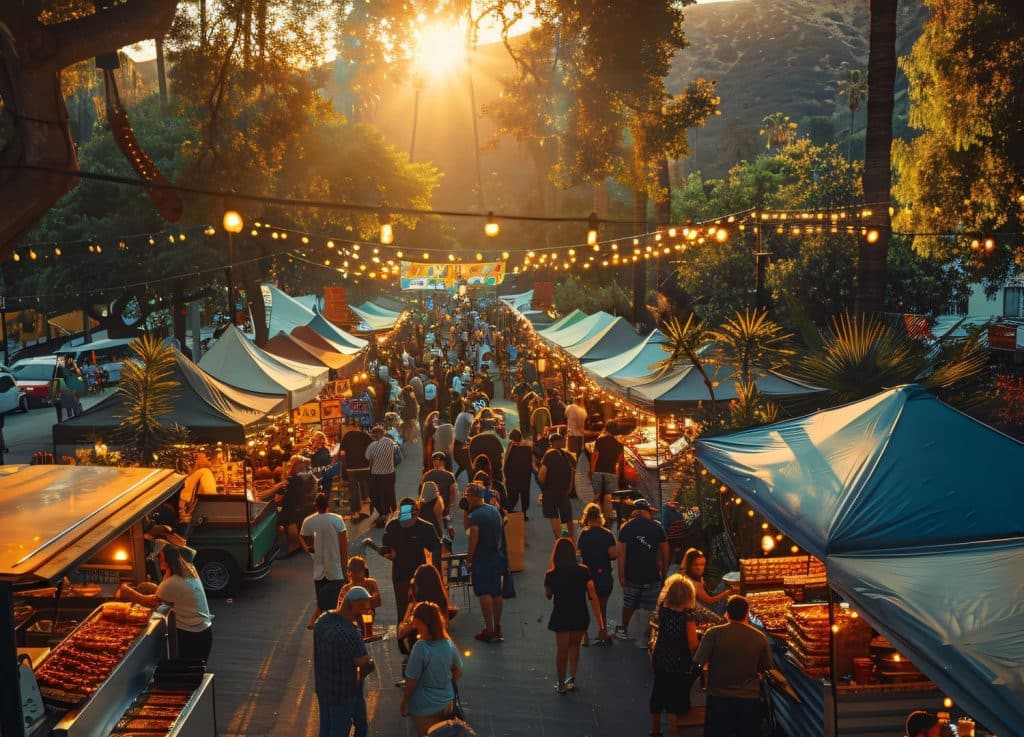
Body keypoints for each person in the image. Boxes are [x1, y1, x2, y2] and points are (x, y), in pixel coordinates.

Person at [693, 595, 775, 737]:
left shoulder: (712, 634)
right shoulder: (759, 637)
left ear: (727, 613)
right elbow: (766, 667)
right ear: (747, 613)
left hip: (718, 698)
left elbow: (699, 661)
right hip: (749, 700)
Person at [119, 544, 214, 662]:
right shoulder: (189, 570)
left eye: (160, 558)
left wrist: (125, 590)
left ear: (166, 561)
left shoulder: (171, 583)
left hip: (190, 636)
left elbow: (148, 601)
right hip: (204, 631)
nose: (158, 561)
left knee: (186, 672)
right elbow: (170, 593)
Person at [544, 537, 608, 694]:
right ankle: (572, 677)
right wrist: (601, 625)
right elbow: (593, 597)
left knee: (562, 650)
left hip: (561, 614)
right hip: (580, 614)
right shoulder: (584, 571)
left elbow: (548, 595)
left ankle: (560, 683)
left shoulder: (551, 574)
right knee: (574, 646)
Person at [313, 587, 374, 737]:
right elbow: (363, 664)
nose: (367, 612)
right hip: (345, 693)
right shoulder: (351, 633)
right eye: (364, 608)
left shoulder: (322, 622)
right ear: (355, 604)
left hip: (324, 687)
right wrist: (372, 664)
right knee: (344, 729)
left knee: (326, 728)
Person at [649, 575, 699, 737]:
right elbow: (693, 645)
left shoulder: (664, 609)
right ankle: (674, 733)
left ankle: (655, 732)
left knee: (658, 693)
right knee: (672, 702)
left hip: (660, 657)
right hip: (679, 662)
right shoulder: (688, 618)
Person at [614, 499, 669, 642]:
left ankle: (624, 629)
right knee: (650, 606)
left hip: (632, 575)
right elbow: (665, 552)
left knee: (629, 604)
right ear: (648, 511)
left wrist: (621, 575)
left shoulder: (626, 528)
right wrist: (664, 574)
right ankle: (648, 635)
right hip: (652, 575)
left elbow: (621, 554)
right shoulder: (657, 528)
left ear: (635, 511)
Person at [380, 497, 443, 621]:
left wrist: (436, 573)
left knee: (419, 611)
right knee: (404, 612)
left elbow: (436, 549)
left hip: (419, 576)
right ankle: (403, 637)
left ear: (418, 512)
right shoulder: (393, 526)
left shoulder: (425, 527)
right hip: (401, 577)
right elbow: (387, 548)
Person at [300, 493, 349, 629]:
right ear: (328, 505)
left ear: (315, 506)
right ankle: (320, 625)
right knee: (336, 604)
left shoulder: (308, 521)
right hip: (335, 570)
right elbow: (343, 548)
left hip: (319, 572)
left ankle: (318, 625)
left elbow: (303, 537)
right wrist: (345, 570)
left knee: (322, 604)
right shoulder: (337, 520)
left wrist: (311, 551)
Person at [464, 483, 506, 643]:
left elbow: (473, 538)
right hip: (496, 555)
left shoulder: (475, 517)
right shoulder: (494, 511)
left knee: (484, 592)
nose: (467, 499)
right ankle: (497, 627)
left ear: (474, 497)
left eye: (468, 496)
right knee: (496, 592)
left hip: (482, 558)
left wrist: (469, 560)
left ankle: (489, 629)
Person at [576, 503, 617, 645]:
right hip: (603, 575)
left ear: (586, 518)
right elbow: (613, 555)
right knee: (602, 607)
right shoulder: (608, 534)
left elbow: (578, 556)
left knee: (583, 607)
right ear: (600, 517)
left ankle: (585, 636)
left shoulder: (583, 535)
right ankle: (602, 631)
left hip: (588, 576)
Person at [537, 433, 576, 540]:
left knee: (554, 515)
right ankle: (567, 537)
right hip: (564, 490)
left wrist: (543, 486)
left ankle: (560, 539)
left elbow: (541, 474)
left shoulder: (548, 454)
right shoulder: (565, 454)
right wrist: (569, 487)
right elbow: (572, 471)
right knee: (565, 515)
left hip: (551, 491)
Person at [277, 455, 318, 555]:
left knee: (278, 513)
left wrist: (279, 499)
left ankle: (291, 544)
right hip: (310, 510)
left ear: (293, 467)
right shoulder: (313, 479)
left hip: (294, 514)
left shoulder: (291, 481)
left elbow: (285, 500)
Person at [366, 425, 400, 528]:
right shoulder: (391, 442)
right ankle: (392, 512)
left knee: (376, 494)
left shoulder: (372, 445)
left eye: (374, 434)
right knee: (390, 493)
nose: (373, 436)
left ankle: (383, 513)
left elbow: (367, 457)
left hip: (377, 474)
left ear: (375, 435)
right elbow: (397, 453)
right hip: (390, 473)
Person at [681, 547, 729, 619]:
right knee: (726, 592)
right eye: (696, 565)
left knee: (725, 583)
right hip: (704, 613)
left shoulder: (699, 578)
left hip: (706, 607)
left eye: (702, 565)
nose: (699, 568)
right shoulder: (690, 582)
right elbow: (709, 600)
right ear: (689, 565)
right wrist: (725, 593)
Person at [589, 425, 624, 523]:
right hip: (611, 472)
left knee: (597, 495)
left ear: (607, 431)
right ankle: (607, 520)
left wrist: (592, 470)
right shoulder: (619, 444)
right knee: (608, 496)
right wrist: (617, 475)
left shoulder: (599, 441)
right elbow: (619, 461)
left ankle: (595, 517)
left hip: (598, 471)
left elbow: (595, 455)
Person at [421, 452, 459, 541]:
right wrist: (449, 504)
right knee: (448, 526)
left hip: (429, 509)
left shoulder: (426, 475)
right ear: (443, 462)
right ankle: (449, 538)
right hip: (444, 509)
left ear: (433, 462)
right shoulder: (450, 476)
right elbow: (453, 493)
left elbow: (421, 493)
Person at [340, 425, 372, 521]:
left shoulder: (346, 437)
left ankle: (356, 510)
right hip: (365, 466)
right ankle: (366, 501)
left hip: (351, 467)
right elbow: (372, 449)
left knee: (354, 488)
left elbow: (342, 454)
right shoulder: (365, 436)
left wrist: (343, 468)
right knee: (364, 483)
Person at [501, 428, 534, 517]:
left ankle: (506, 512)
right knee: (525, 494)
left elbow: (506, 460)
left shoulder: (511, 446)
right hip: (525, 475)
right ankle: (524, 513)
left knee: (513, 495)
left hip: (513, 475)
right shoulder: (528, 446)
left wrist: (505, 472)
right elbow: (532, 461)